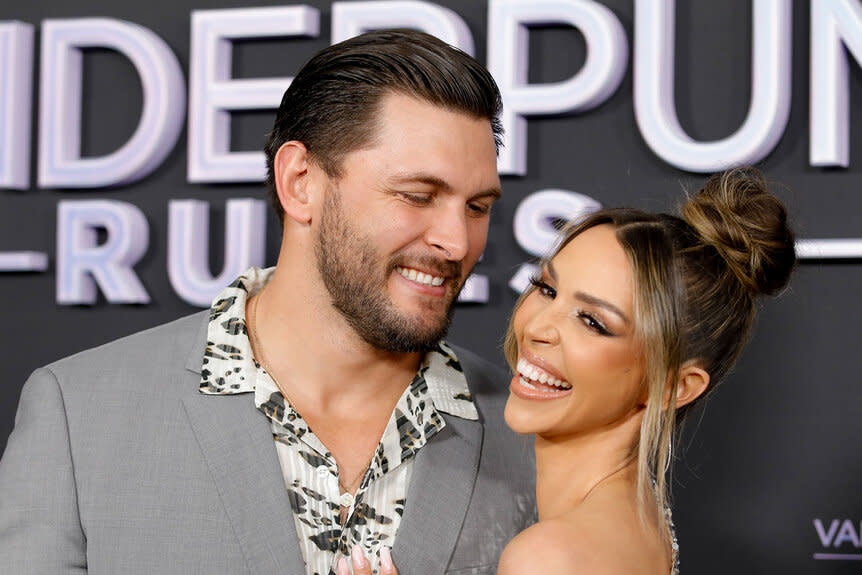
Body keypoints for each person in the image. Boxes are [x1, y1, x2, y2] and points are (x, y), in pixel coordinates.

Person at [0, 29, 535, 575]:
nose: (458, 241)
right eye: (418, 196)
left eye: (477, 206)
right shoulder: (80, 413)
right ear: (300, 181)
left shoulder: (533, 436)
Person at [494, 167, 795, 574]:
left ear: (673, 386)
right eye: (546, 288)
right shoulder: (638, 525)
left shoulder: (550, 557)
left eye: (593, 322)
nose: (536, 328)